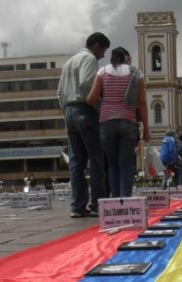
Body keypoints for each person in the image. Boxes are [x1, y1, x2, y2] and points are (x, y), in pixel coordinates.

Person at [57, 32, 110, 218]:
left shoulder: (70, 62)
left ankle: (78, 206)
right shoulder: (89, 59)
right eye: (103, 50)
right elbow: (88, 82)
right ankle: (97, 204)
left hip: (69, 112)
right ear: (96, 45)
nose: (103, 55)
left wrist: (66, 111)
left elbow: (59, 92)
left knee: (76, 162)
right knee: (96, 159)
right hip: (84, 110)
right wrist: (98, 106)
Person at [86, 47, 150, 198]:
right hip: (128, 122)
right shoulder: (136, 73)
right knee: (126, 165)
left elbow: (90, 99)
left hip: (106, 123)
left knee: (113, 165)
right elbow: (141, 102)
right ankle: (126, 200)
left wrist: (104, 103)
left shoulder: (102, 72)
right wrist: (146, 128)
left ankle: (115, 202)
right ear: (125, 58)